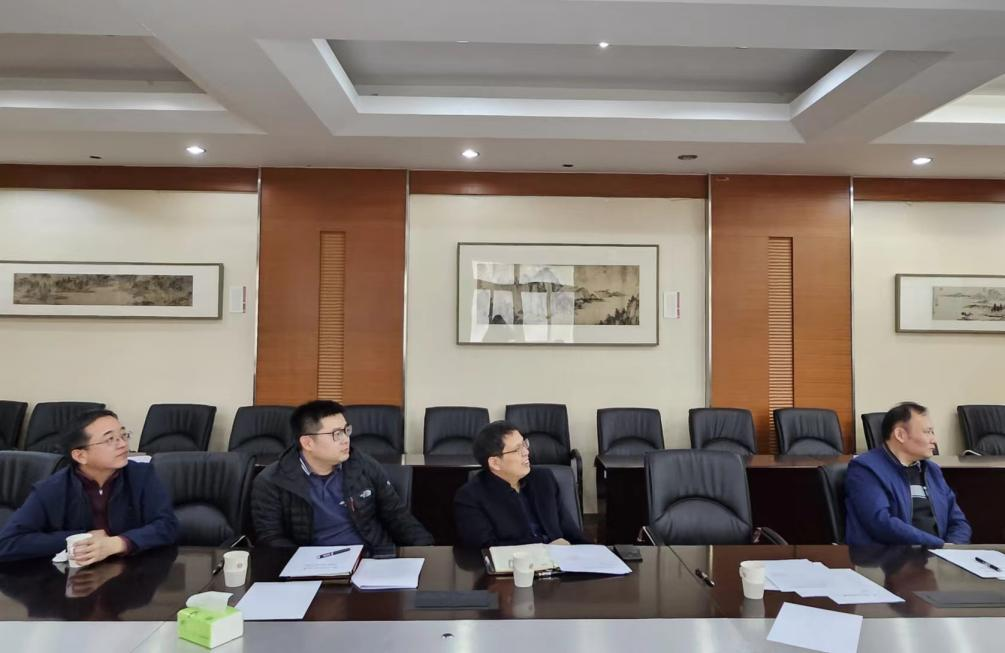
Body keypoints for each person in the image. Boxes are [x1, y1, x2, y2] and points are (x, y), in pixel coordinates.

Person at [250, 399, 433, 553]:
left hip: (371, 558)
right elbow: (271, 538)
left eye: (346, 430)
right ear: (307, 443)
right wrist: (306, 563)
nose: (346, 439)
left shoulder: (363, 465)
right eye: (336, 434)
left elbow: (397, 516)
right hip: (313, 567)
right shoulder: (272, 481)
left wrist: (427, 551)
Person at [0, 409, 179, 562]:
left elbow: (168, 525)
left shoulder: (142, 475)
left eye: (123, 435)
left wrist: (120, 543)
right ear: (80, 455)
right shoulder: (51, 489)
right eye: (110, 439)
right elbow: (7, 543)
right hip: (70, 580)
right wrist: (80, 539)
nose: (123, 444)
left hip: (135, 573)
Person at [845, 402, 971, 547]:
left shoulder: (932, 471)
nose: (934, 440)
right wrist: (938, 545)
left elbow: (958, 521)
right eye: (927, 432)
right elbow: (881, 523)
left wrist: (954, 546)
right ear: (900, 435)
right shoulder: (866, 469)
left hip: (937, 554)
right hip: (889, 557)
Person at [454, 420, 587, 548]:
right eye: (517, 449)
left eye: (524, 444)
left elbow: (572, 534)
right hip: (515, 563)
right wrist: (545, 547)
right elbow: (484, 548)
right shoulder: (470, 497)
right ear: (495, 463)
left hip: (561, 560)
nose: (526, 452)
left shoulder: (544, 479)